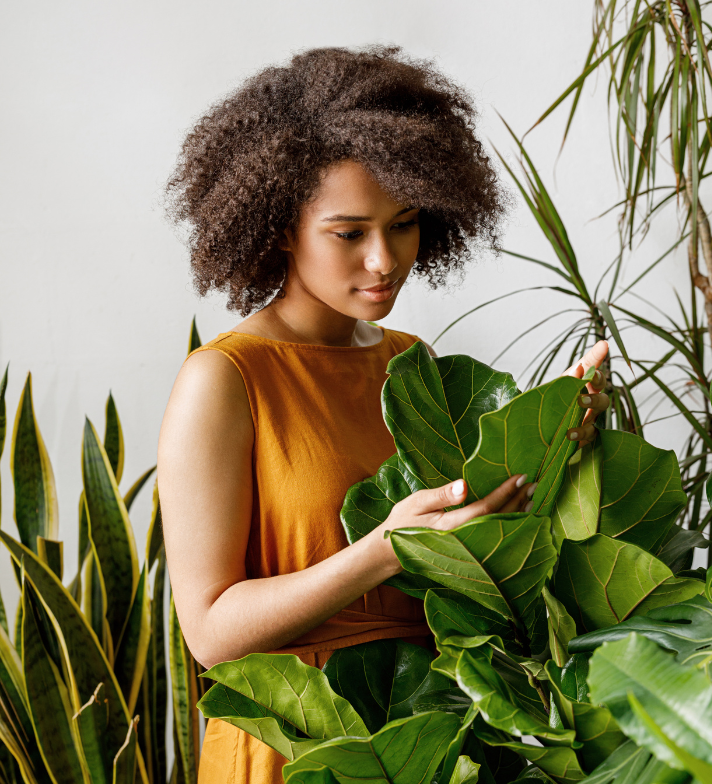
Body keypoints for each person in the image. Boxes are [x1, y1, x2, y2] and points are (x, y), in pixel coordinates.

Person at [157, 46, 608, 784]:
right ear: (278, 227)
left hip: (433, 733)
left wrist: (551, 437)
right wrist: (384, 551)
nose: (384, 261)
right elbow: (209, 634)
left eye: (402, 224)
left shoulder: (410, 359)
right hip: (301, 744)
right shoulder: (225, 380)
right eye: (349, 233)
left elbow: (465, 543)